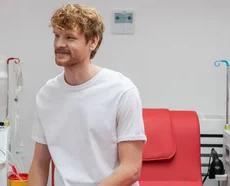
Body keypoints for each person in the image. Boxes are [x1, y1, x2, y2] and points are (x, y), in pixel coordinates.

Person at [28, 3, 147, 186]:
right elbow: (40, 164)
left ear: (93, 42)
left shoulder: (122, 91)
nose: (59, 44)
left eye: (70, 37)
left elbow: (131, 169)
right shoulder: (47, 95)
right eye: (57, 36)